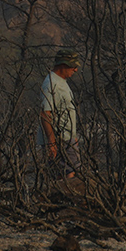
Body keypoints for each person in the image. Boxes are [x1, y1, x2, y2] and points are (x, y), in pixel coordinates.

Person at [37, 49, 80, 181]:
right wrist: (51, 142)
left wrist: (73, 136)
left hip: (67, 139)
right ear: (63, 65)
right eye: (73, 67)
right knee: (68, 176)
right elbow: (45, 113)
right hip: (59, 140)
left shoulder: (61, 82)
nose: (75, 70)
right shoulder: (51, 84)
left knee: (67, 174)